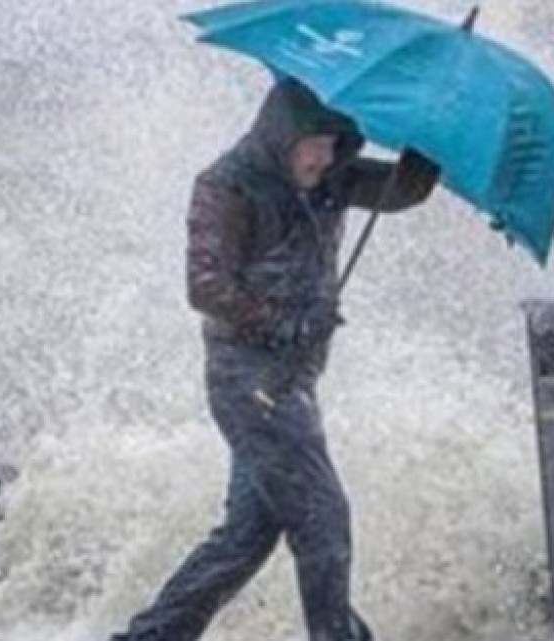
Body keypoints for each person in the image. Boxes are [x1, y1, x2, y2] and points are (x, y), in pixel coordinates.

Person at [109, 78, 439, 641]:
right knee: (324, 519)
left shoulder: (333, 177)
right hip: (248, 380)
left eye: (336, 144)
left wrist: (428, 136)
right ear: (281, 135)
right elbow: (205, 287)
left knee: (246, 536)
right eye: (314, 143)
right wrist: (282, 322)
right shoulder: (226, 186)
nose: (324, 157)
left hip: (295, 378)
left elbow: (400, 191)